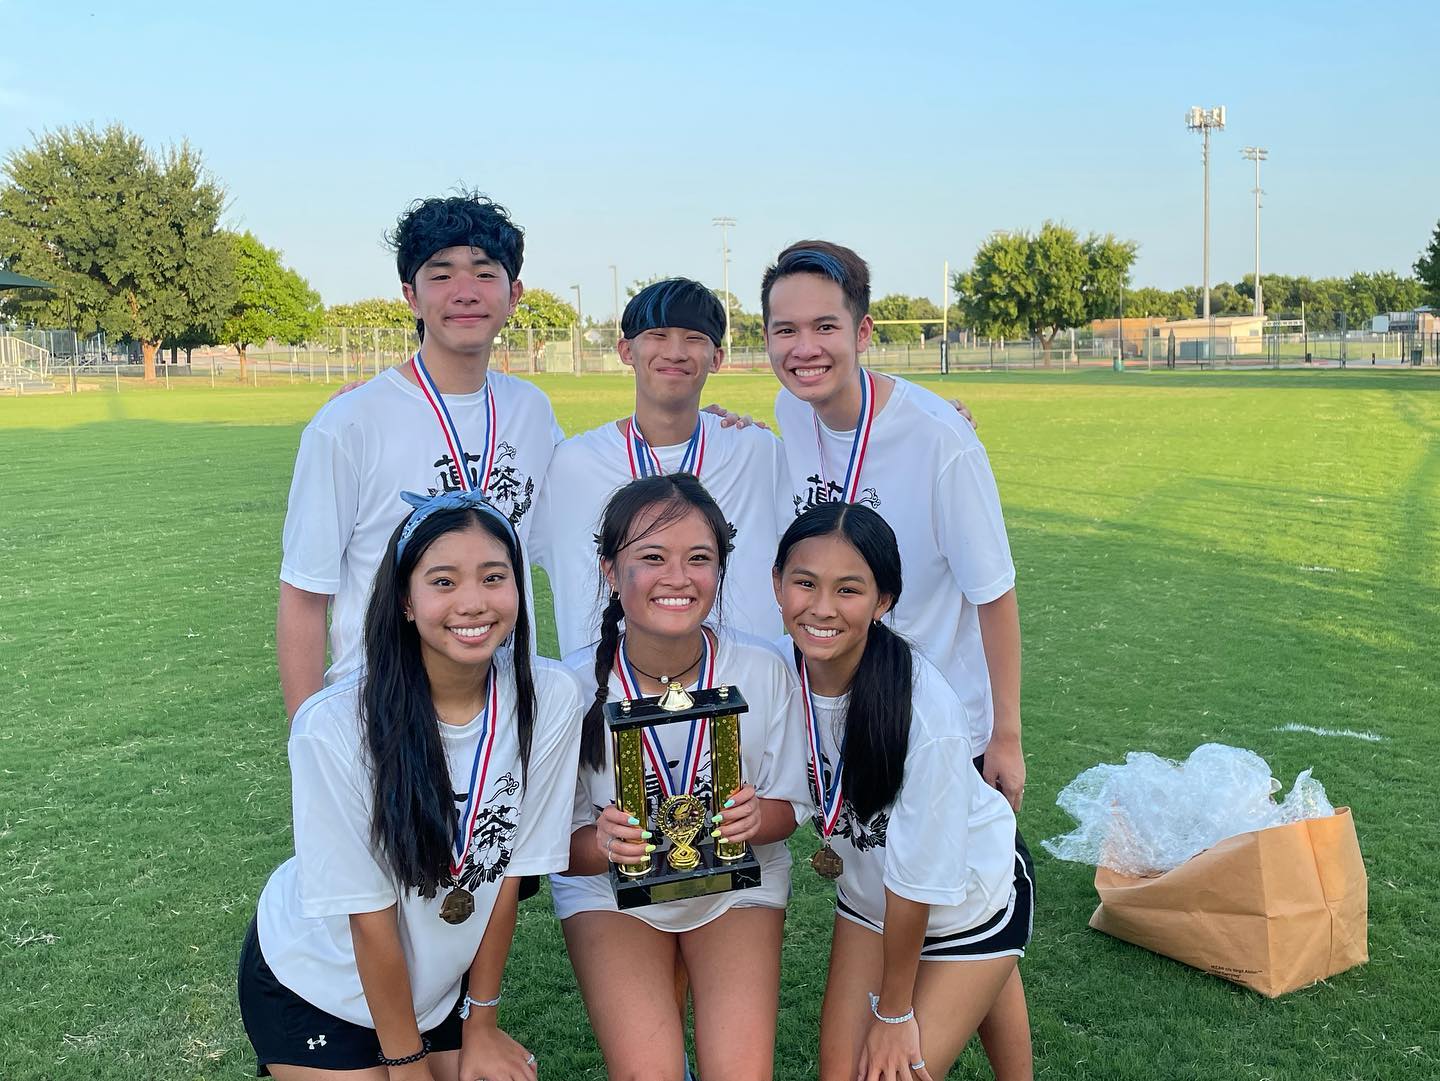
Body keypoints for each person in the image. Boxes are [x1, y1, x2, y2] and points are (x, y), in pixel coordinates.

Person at [761, 240, 1034, 1078]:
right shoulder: (788, 418)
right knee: (922, 873)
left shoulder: (938, 438)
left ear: (863, 330)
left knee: (958, 877)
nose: (803, 347)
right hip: (842, 702)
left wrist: (1007, 734)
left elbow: (993, 590)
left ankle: (970, 961)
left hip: (936, 712)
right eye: (783, 329)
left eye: (824, 326)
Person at [239, 490, 584, 1079]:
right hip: (317, 979)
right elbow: (368, 916)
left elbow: (509, 874)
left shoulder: (550, 699)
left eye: (494, 577)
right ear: (405, 599)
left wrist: (481, 1023)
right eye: (443, 582)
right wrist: (406, 1063)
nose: (472, 602)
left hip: (434, 993)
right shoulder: (332, 727)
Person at [550, 474, 809, 1081]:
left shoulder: (762, 669)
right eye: (651, 558)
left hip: (735, 889)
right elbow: (553, 849)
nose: (678, 577)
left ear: (720, 569)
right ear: (610, 571)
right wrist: (603, 843)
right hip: (613, 895)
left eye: (699, 558)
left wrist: (755, 819)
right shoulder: (569, 688)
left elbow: (790, 809)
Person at [276, 192, 563, 720]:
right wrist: (308, 739)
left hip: (501, 711)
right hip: (382, 708)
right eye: (441, 274)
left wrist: (698, 423)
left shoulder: (531, 410)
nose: (465, 292)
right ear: (411, 295)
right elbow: (304, 594)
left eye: (484, 273)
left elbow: (588, 506)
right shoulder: (349, 423)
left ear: (514, 294)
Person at [773, 501, 1032, 1081]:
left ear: (883, 600)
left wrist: (895, 1013)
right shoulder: (775, 675)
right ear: (777, 584)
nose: (821, 608)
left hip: (965, 902)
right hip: (870, 902)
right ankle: (987, 975)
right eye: (805, 583)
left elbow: (915, 887)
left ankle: (986, 961)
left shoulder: (927, 715)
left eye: (848, 590)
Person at [530, 277, 788, 656]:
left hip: (742, 685)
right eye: (658, 335)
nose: (676, 352)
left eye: (694, 338)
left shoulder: (758, 453)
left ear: (717, 358)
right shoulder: (569, 467)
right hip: (607, 687)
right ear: (626, 350)